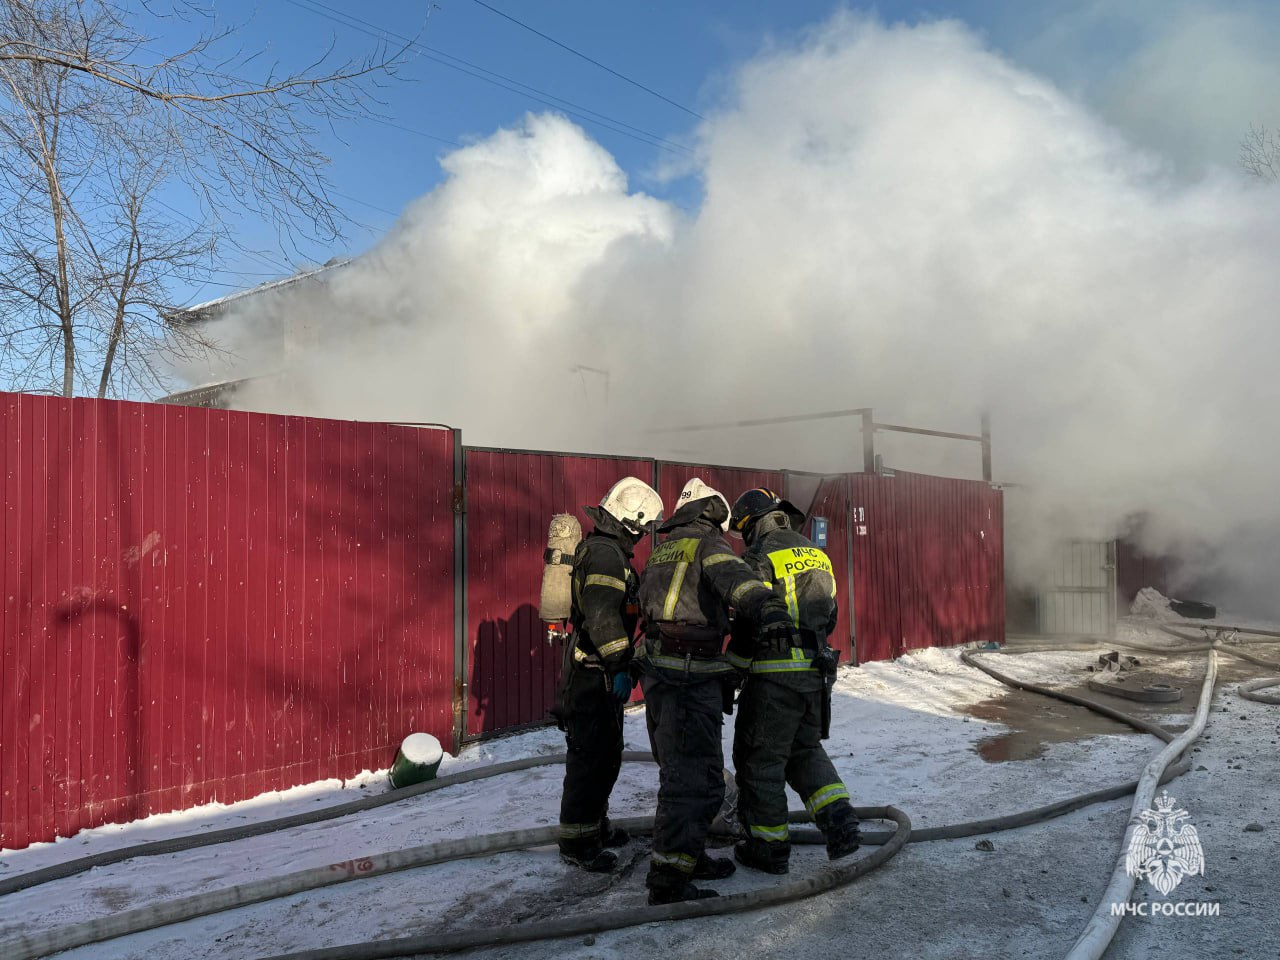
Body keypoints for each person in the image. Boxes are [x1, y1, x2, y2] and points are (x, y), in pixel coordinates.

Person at [637, 478, 800, 904]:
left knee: (697, 775)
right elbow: (739, 582)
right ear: (713, 514)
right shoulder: (708, 546)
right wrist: (771, 608)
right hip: (688, 680)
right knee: (692, 781)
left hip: (663, 676)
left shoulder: (664, 548)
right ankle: (669, 880)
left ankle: (688, 858)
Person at [726, 487, 861, 876]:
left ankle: (767, 847)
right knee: (804, 750)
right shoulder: (817, 554)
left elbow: (750, 618)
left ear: (753, 523)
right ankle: (841, 824)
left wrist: (734, 668)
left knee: (761, 760)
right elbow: (830, 616)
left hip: (774, 676)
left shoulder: (760, 555)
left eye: (743, 529)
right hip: (816, 674)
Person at [554, 476, 664, 872]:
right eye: (643, 528)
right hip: (592, 675)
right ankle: (577, 843)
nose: (644, 535)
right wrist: (619, 664)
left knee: (604, 756)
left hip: (598, 672)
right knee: (590, 760)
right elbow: (601, 617)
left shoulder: (608, 552)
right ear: (632, 522)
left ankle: (595, 828)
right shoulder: (605, 556)